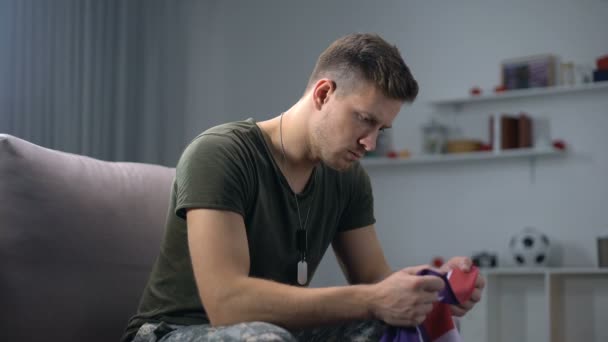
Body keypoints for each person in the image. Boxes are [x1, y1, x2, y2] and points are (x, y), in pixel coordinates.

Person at [122, 32, 485, 342]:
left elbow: (376, 281)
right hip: (171, 331)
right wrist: (373, 298)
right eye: (365, 120)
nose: (370, 143)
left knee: (390, 325)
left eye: (381, 130)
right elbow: (226, 304)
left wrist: (430, 291)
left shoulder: (348, 177)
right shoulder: (221, 154)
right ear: (324, 94)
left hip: (271, 330)